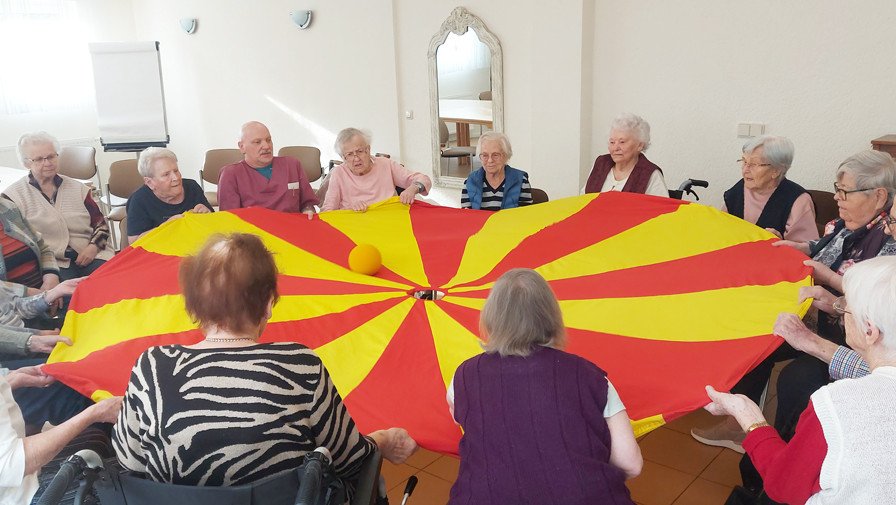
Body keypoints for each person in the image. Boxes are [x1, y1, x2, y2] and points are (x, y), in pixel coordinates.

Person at [113, 233, 416, 499]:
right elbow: (352, 460)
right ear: (269, 302)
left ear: (193, 303)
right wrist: (383, 440)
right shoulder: (299, 366)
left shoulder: (151, 368)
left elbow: (130, 465)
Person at [692, 149, 896, 453]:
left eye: (844, 191)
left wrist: (826, 281)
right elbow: (820, 246)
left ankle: (786, 455)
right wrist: (796, 247)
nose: (836, 197)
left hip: (850, 337)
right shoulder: (849, 224)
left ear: (879, 197)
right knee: (753, 332)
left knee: (795, 380)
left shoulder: (886, 238)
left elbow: (870, 301)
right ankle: (740, 424)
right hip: (816, 314)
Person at [704, 255, 896, 504]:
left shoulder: (839, 404)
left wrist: (748, 416)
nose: (842, 311)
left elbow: (782, 485)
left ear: (870, 331)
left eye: (847, 307)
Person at [447, 269, 641, 504]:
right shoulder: (592, 376)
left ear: (491, 317)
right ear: (551, 316)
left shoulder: (465, 376)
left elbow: (465, 421)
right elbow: (631, 464)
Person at [0, 367, 120, 504]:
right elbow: (12, 462)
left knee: (96, 439)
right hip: (21, 495)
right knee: (132, 480)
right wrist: (95, 413)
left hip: (19, 479)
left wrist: (10, 380)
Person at [3, 132, 114, 280]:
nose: (47, 163)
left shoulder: (78, 188)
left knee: (111, 283)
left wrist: (93, 248)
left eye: (51, 156)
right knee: (69, 296)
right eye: (39, 159)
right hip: (52, 264)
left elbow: (102, 226)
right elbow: (19, 243)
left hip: (91, 252)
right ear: (26, 163)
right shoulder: (13, 197)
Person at [722, 135, 818, 241]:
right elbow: (721, 227)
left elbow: (807, 249)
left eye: (754, 164)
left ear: (776, 170)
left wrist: (781, 243)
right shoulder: (740, 188)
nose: (745, 170)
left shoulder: (799, 201)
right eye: (744, 161)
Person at [217, 121, 319, 216]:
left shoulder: (292, 165)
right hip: (253, 233)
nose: (266, 146)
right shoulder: (230, 174)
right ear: (242, 147)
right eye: (257, 142)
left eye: (268, 140)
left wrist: (308, 210)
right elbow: (230, 218)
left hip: (291, 230)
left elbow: (307, 204)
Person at [321, 128, 431, 212]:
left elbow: (423, 179)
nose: (356, 158)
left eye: (360, 151)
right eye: (349, 154)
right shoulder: (338, 173)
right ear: (343, 158)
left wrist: (413, 188)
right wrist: (350, 210)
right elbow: (328, 210)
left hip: (389, 219)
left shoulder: (385, 164)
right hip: (357, 226)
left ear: (368, 149)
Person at [126, 147, 213, 243]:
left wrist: (206, 213)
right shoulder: (139, 200)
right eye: (166, 174)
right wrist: (167, 227)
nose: (176, 177)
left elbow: (212, 224)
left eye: (176, 171)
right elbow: (134, 242)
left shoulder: (192, 187)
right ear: (150, 182)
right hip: (160, 253)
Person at [584, 113, 668, 197]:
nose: (615, 148)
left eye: (622, 142)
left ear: (640, 145)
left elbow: (662, 208)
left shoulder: (650, 174)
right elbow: (583, 200)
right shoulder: (600, 164)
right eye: (612, 142)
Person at [460, 132, 532, 211]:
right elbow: (467, 218)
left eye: (495, 155)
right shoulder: (470, 182)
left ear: (505, 156)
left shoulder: (521, 181)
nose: (490, 160)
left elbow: (525, 217)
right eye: (485, 155)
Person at [0, 198, 59, 292]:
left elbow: (42, 248)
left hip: (48, 290)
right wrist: (30, 295)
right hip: (14, 303)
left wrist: (51, 277)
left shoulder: (8, 207)